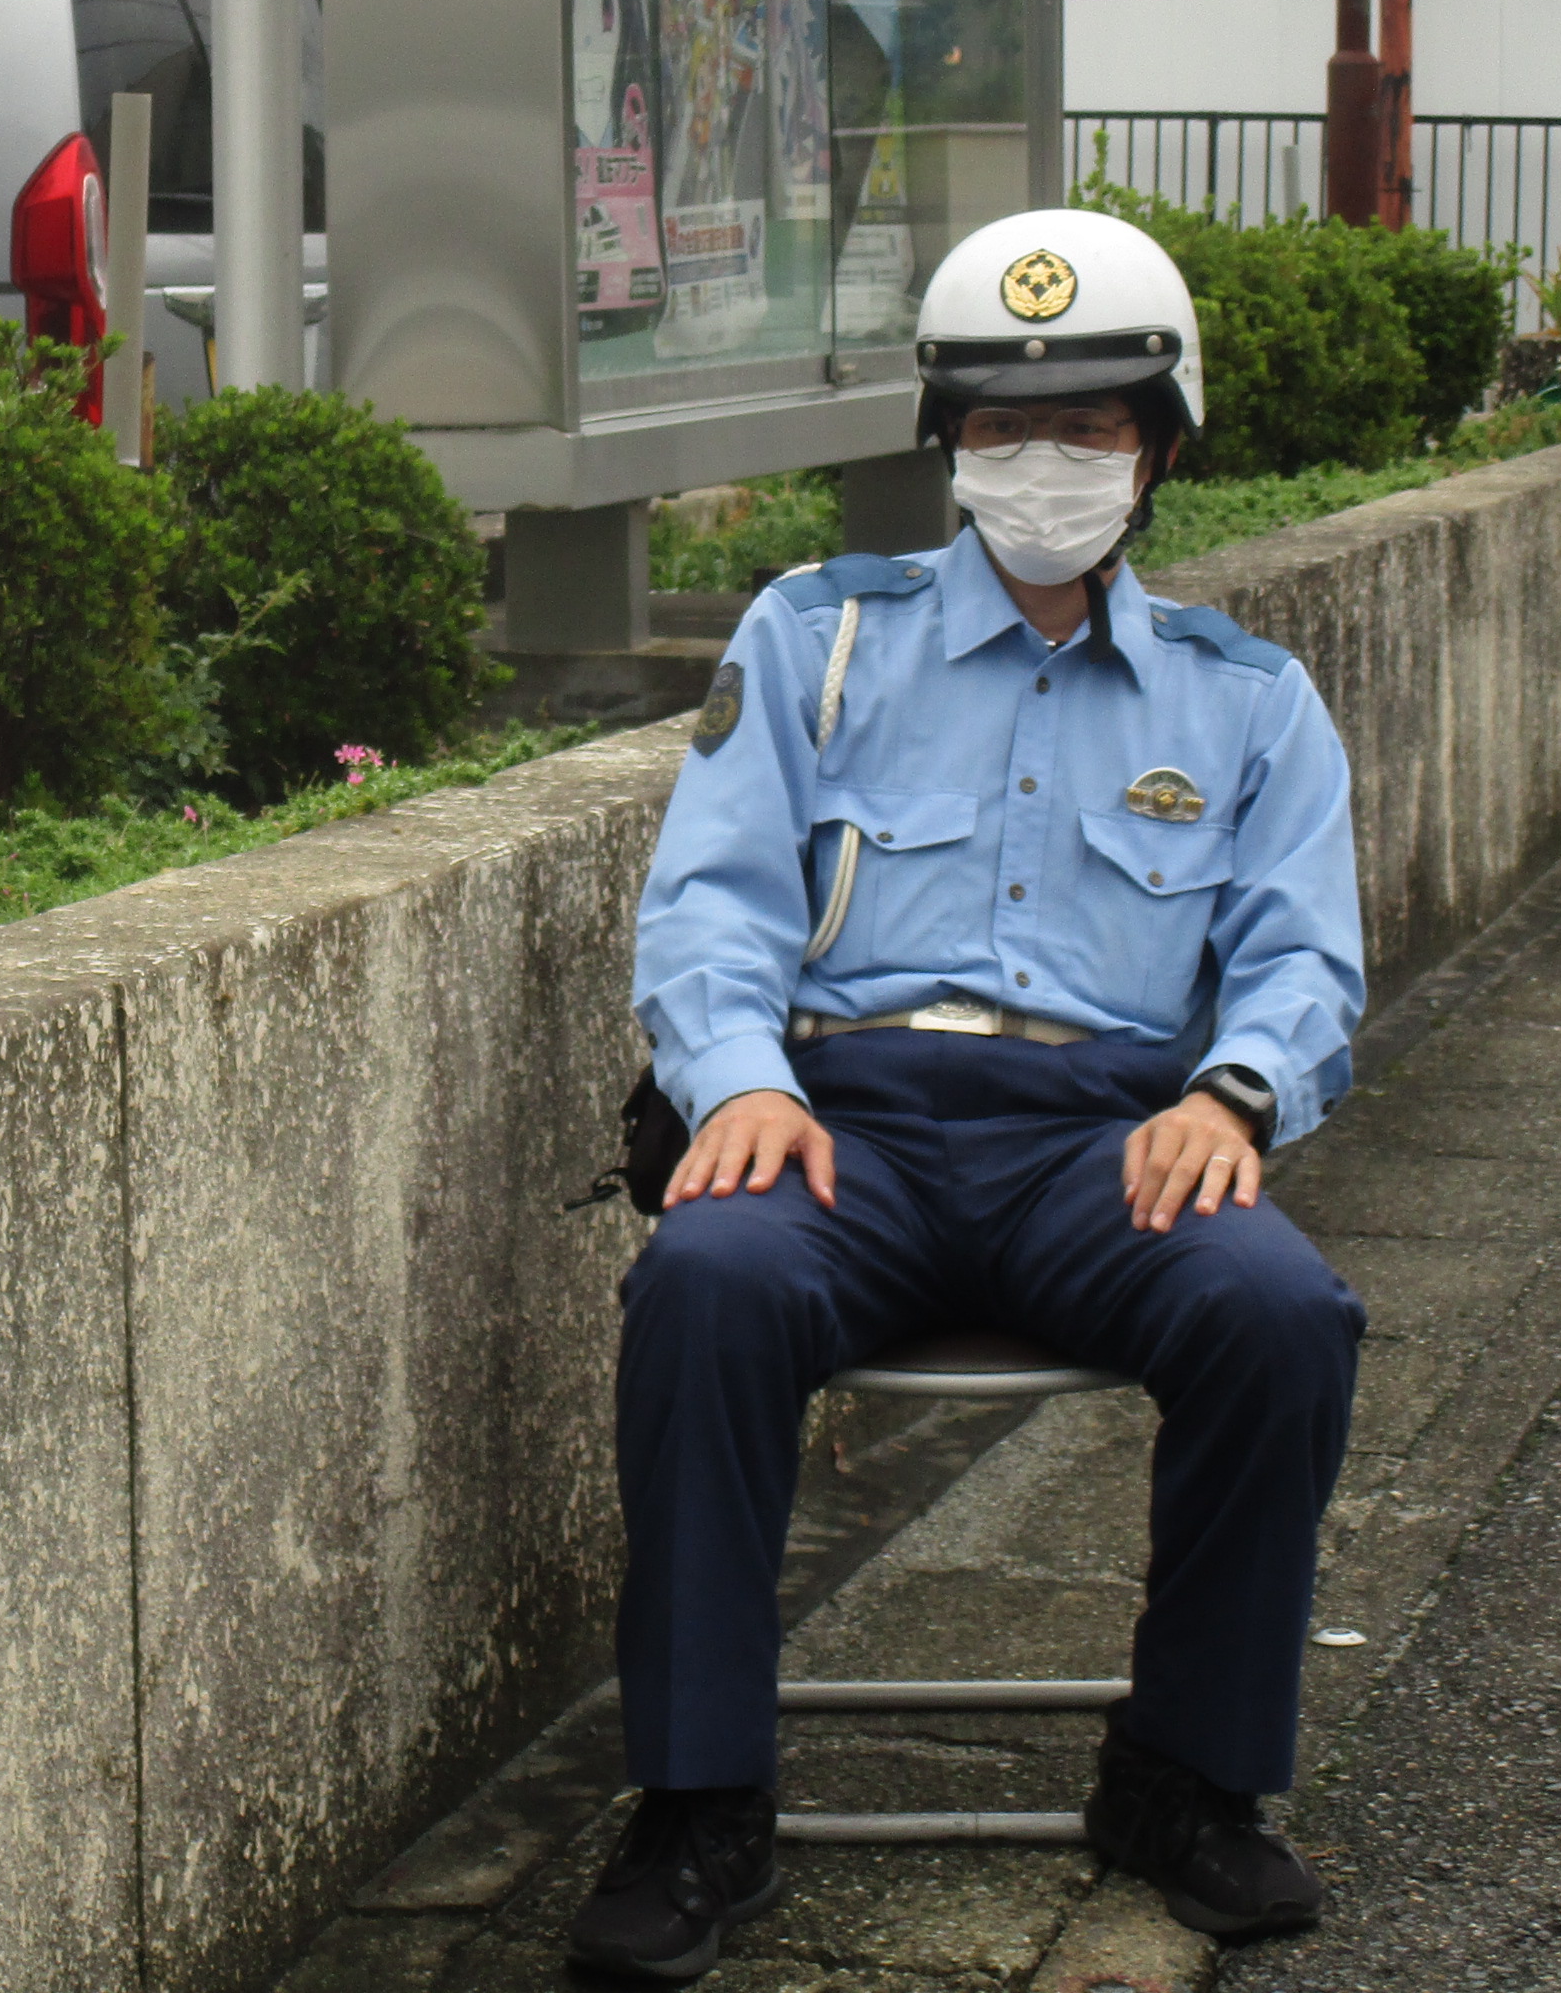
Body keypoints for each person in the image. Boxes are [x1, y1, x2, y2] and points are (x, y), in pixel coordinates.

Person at [568, 207, 1369, 1983]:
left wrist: (1234, 1100)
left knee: (1282, 1316)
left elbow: (1306, 953)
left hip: (1107, 1144)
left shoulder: (1248, 704)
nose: (1044, 465)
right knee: (705, 1284)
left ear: (1160, 446)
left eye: (1089, 428)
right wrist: (734, 1087)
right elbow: (709, 896)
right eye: (1003, 428)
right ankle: (701, 1802)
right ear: (948, 445)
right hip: (839, 1125)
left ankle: (1185, 1778)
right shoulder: (812, 639)